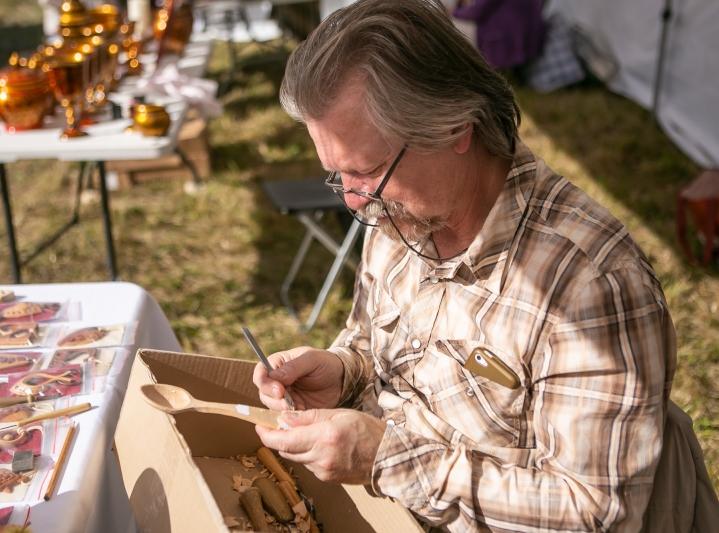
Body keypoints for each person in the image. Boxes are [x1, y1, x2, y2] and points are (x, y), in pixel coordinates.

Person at [250, 1, 718, 531]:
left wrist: (386, 459)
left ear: (455, 126)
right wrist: (342, 373)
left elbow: (595, 512)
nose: (355, 201)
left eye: (369, 170)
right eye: (339, 175)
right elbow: (370, 343)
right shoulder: (400, 211)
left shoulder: (590, 284)